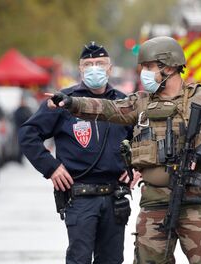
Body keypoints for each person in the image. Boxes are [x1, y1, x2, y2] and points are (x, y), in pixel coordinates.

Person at [47, 36, 201, 264]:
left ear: (169, 67)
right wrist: (73, 103)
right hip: (154, 203)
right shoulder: (141, 103)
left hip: (196, 203)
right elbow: (108, 108)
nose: (144, 72)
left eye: (149, 67)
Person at [19, 42, 137, 264]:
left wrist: (137, 167)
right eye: (89, 64)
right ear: (80, 69)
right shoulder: (64, 100)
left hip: (115, 197)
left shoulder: (124, 102)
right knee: (79, 259)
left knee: (112, 260)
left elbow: (143, 137)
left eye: (100, 63)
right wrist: (51, 167)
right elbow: (28, 134)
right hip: (80, 196)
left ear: (110, 68)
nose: (95, 68)